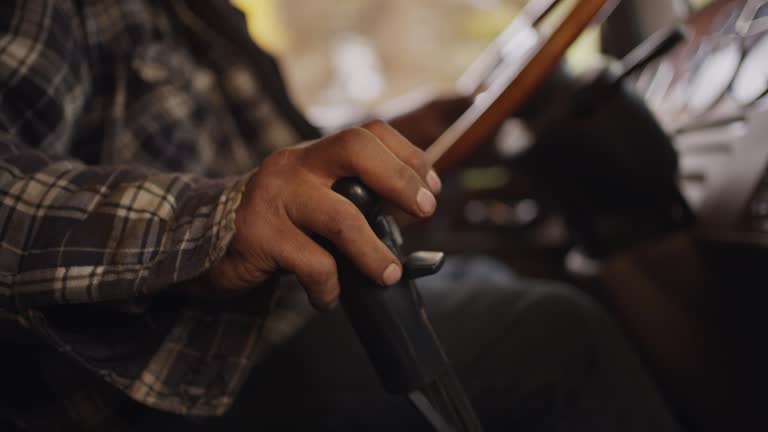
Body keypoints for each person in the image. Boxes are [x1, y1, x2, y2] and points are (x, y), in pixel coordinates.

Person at [0, 1, 681, 431]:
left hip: (267, 322)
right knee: (558, 338)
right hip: (162, 383)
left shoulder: (194, 15)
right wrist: (212, 222)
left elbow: (245, 162)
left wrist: (384, 130)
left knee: (511, 285)